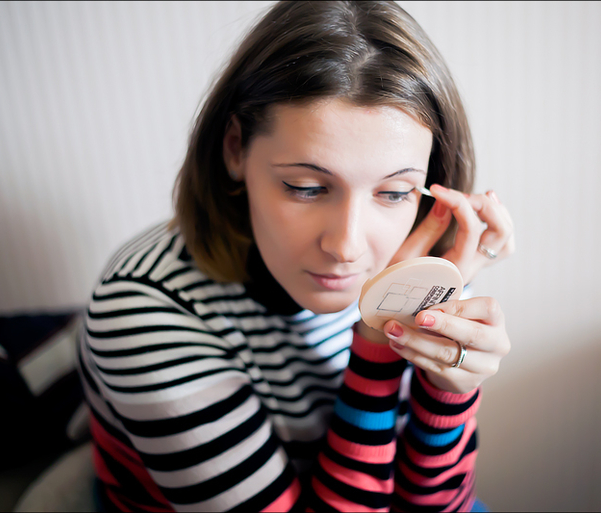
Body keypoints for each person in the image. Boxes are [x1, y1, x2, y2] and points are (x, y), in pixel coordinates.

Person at [77, 1, 515, 511]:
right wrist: (378, 343)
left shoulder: (415, 262)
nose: (348, 247)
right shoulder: (145, 311)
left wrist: (447, 389)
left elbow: (441, 505)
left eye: (395, 193)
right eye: (306, 187)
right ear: (235, 148)